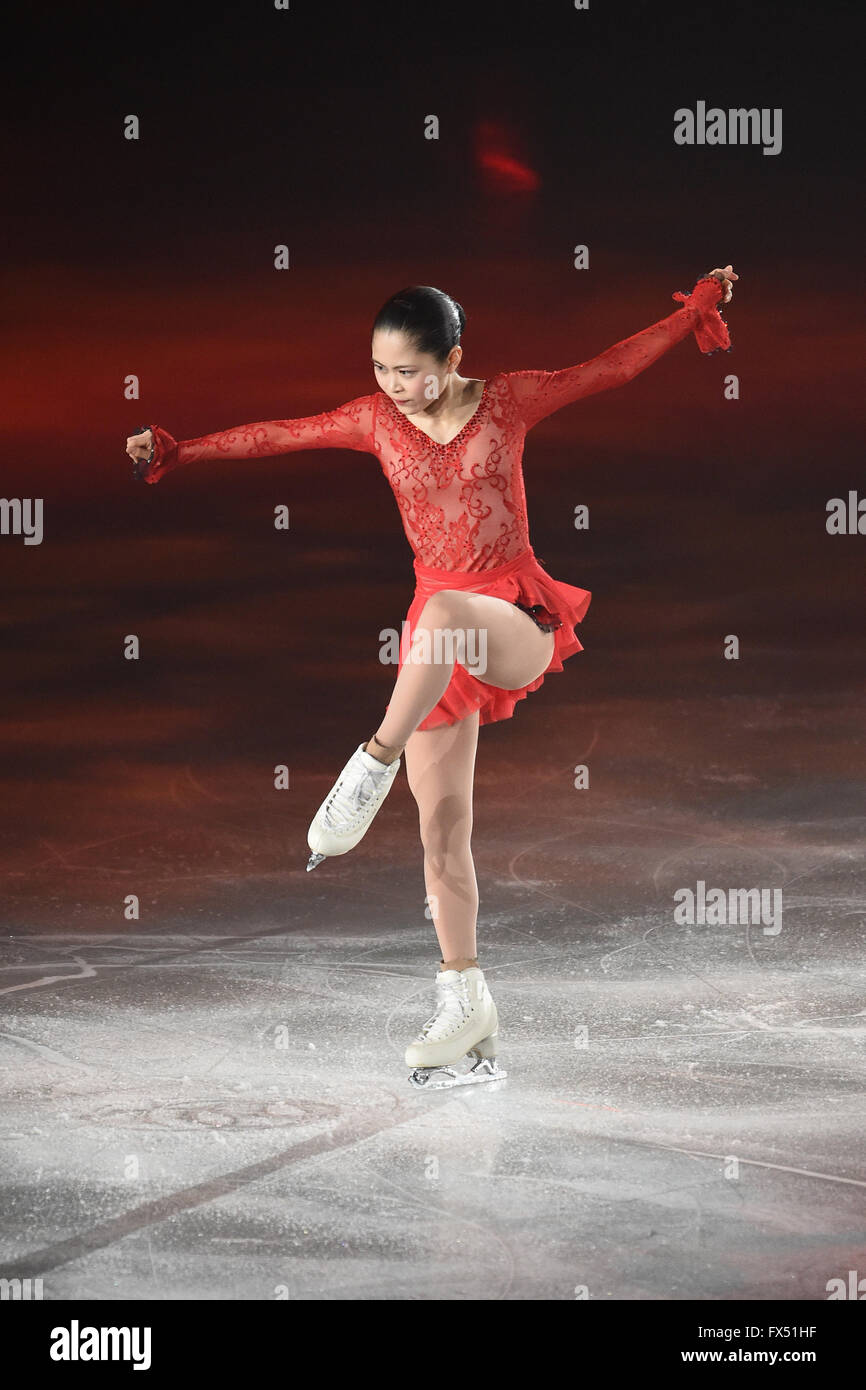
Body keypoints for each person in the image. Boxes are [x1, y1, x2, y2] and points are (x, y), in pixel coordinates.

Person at [126, 265, 737, 1088]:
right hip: (432, 645)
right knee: (443, 832)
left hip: (513, 615)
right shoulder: (376, 422)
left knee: (446, 615)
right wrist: (181, 450)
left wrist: (692, 313)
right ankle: (467, 1006)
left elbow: (609, 369)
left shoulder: (509, 400)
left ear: (454, 357)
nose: (392, 386)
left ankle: (368, 765)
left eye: (408, 370)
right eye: (380, 369)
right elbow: (281, 434)